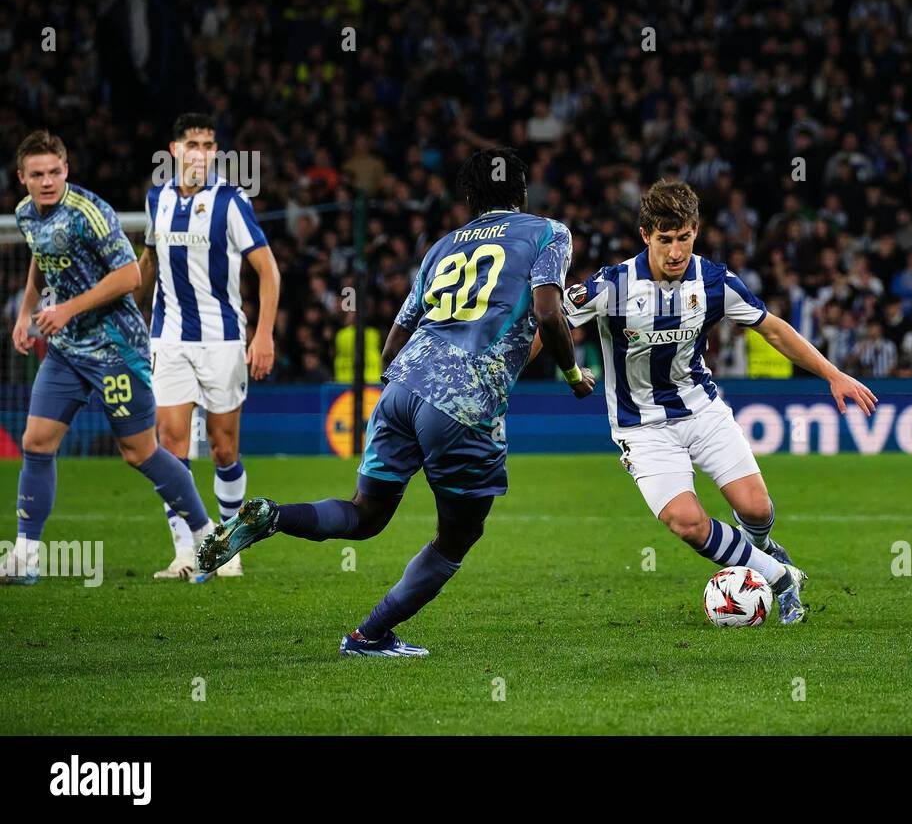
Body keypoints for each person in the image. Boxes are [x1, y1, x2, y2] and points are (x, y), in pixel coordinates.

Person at [196, 148, 594, 656]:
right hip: (462, 402)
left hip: (402, 387)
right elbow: (547, 310)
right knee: (456, 537)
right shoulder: (548, 232)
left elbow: (395, 338)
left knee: (365, 515)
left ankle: (273, 516)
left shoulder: (441, 247)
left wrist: (408, 388)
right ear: (522, 192)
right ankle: (369, 634)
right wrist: (570, 372)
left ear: (469, 198)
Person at [562, 179, 877, 625]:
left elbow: (772, 328)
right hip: (641, 426)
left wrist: (833, 374)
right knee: (687, 521)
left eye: (684, 238)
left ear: (696, 230)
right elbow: (547, 323)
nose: (675, 251)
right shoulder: (611, 286)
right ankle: (781, 578)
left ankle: (763, 549)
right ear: (645, 235)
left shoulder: (713, 281)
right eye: (665, 240)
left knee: (756, 509)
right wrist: (539, 374)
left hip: (701, 409)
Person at [2, 130, 213, 585]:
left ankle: (207, 537)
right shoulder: (25, 214)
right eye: (36, 174)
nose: (46, 181)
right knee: (36, 442)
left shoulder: (90, 213)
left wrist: (66, 309)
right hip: (67, 352)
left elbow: (130, 275)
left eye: (54, 172)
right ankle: (25, 556)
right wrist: (24, 314)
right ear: (22, 178)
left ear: (66, 169)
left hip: (116, 348)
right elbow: (42, 256)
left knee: (139, 453)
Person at [137, 113, 281, 580]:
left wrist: (262, 334)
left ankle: (229, 544)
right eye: (193, 144)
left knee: (223, 449)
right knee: (171, 446)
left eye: (208, 144)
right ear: (174, 150)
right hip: (169, 338)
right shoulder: (156, 199)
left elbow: (268, 271)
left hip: (223, 340)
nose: (201, 152)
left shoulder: (232, 202)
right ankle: (185, 551)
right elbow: (148, 263)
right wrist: (128, 313)